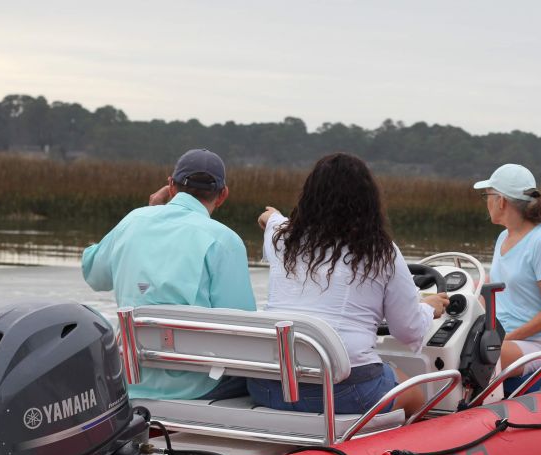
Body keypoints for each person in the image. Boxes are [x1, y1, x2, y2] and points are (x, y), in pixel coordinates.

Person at [249, 152, 449, 417]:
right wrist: (427, 308)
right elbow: (408, 331)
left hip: (268, 388)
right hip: (342, 393)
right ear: (367, 202)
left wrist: (270, 216)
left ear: (309, 196)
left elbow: (270, 220)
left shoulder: (282, 239)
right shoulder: (382, 253)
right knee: (414, 394)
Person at [82, 148, 256, 400]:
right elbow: (242, 330)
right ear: (222, 195)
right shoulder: (224, 241)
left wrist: (148, 214)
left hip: (130, 379)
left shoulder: (133, 221)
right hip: (198, 386)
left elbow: (94, 275)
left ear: (171, 186)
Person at [474, 164, 541, 376]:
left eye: (487, 195)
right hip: (501, 338)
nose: (486, 202)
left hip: (537, 344)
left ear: (501, 201)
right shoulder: (503, 237)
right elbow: (492, 286)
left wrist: (505, 338)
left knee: (480, 352)